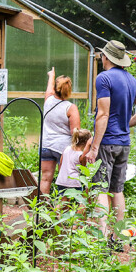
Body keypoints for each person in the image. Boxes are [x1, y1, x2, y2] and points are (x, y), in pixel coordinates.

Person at [82, 41, 136, 243]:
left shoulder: (104, 78)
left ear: (106, 58)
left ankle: (103, 237)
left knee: (100, 188)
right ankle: (118, 237)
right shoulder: (131, 80)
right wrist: (125, 124)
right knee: (117, 189)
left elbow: (102, 114)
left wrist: (94, 147)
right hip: (124, 144)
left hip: (107, 143)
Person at [39, 68, 81, 196]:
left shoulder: (48, 100)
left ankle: (42, 209)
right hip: (62, 148)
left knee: (45, 178)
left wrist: (51, 75)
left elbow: (49, 88)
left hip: (46, 145)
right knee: (63, 181)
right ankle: (61, 210)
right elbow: (75, 133)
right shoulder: (70, 108)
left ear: (56, 88)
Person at [55, 128, 93, 195]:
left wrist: (61, 176)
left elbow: (60, 164)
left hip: (61, 181)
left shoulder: (67, 149)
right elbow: (83, 167)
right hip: (73, 183)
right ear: (86, 142)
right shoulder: (80, 155)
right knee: (77, 202)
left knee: (62, 201)